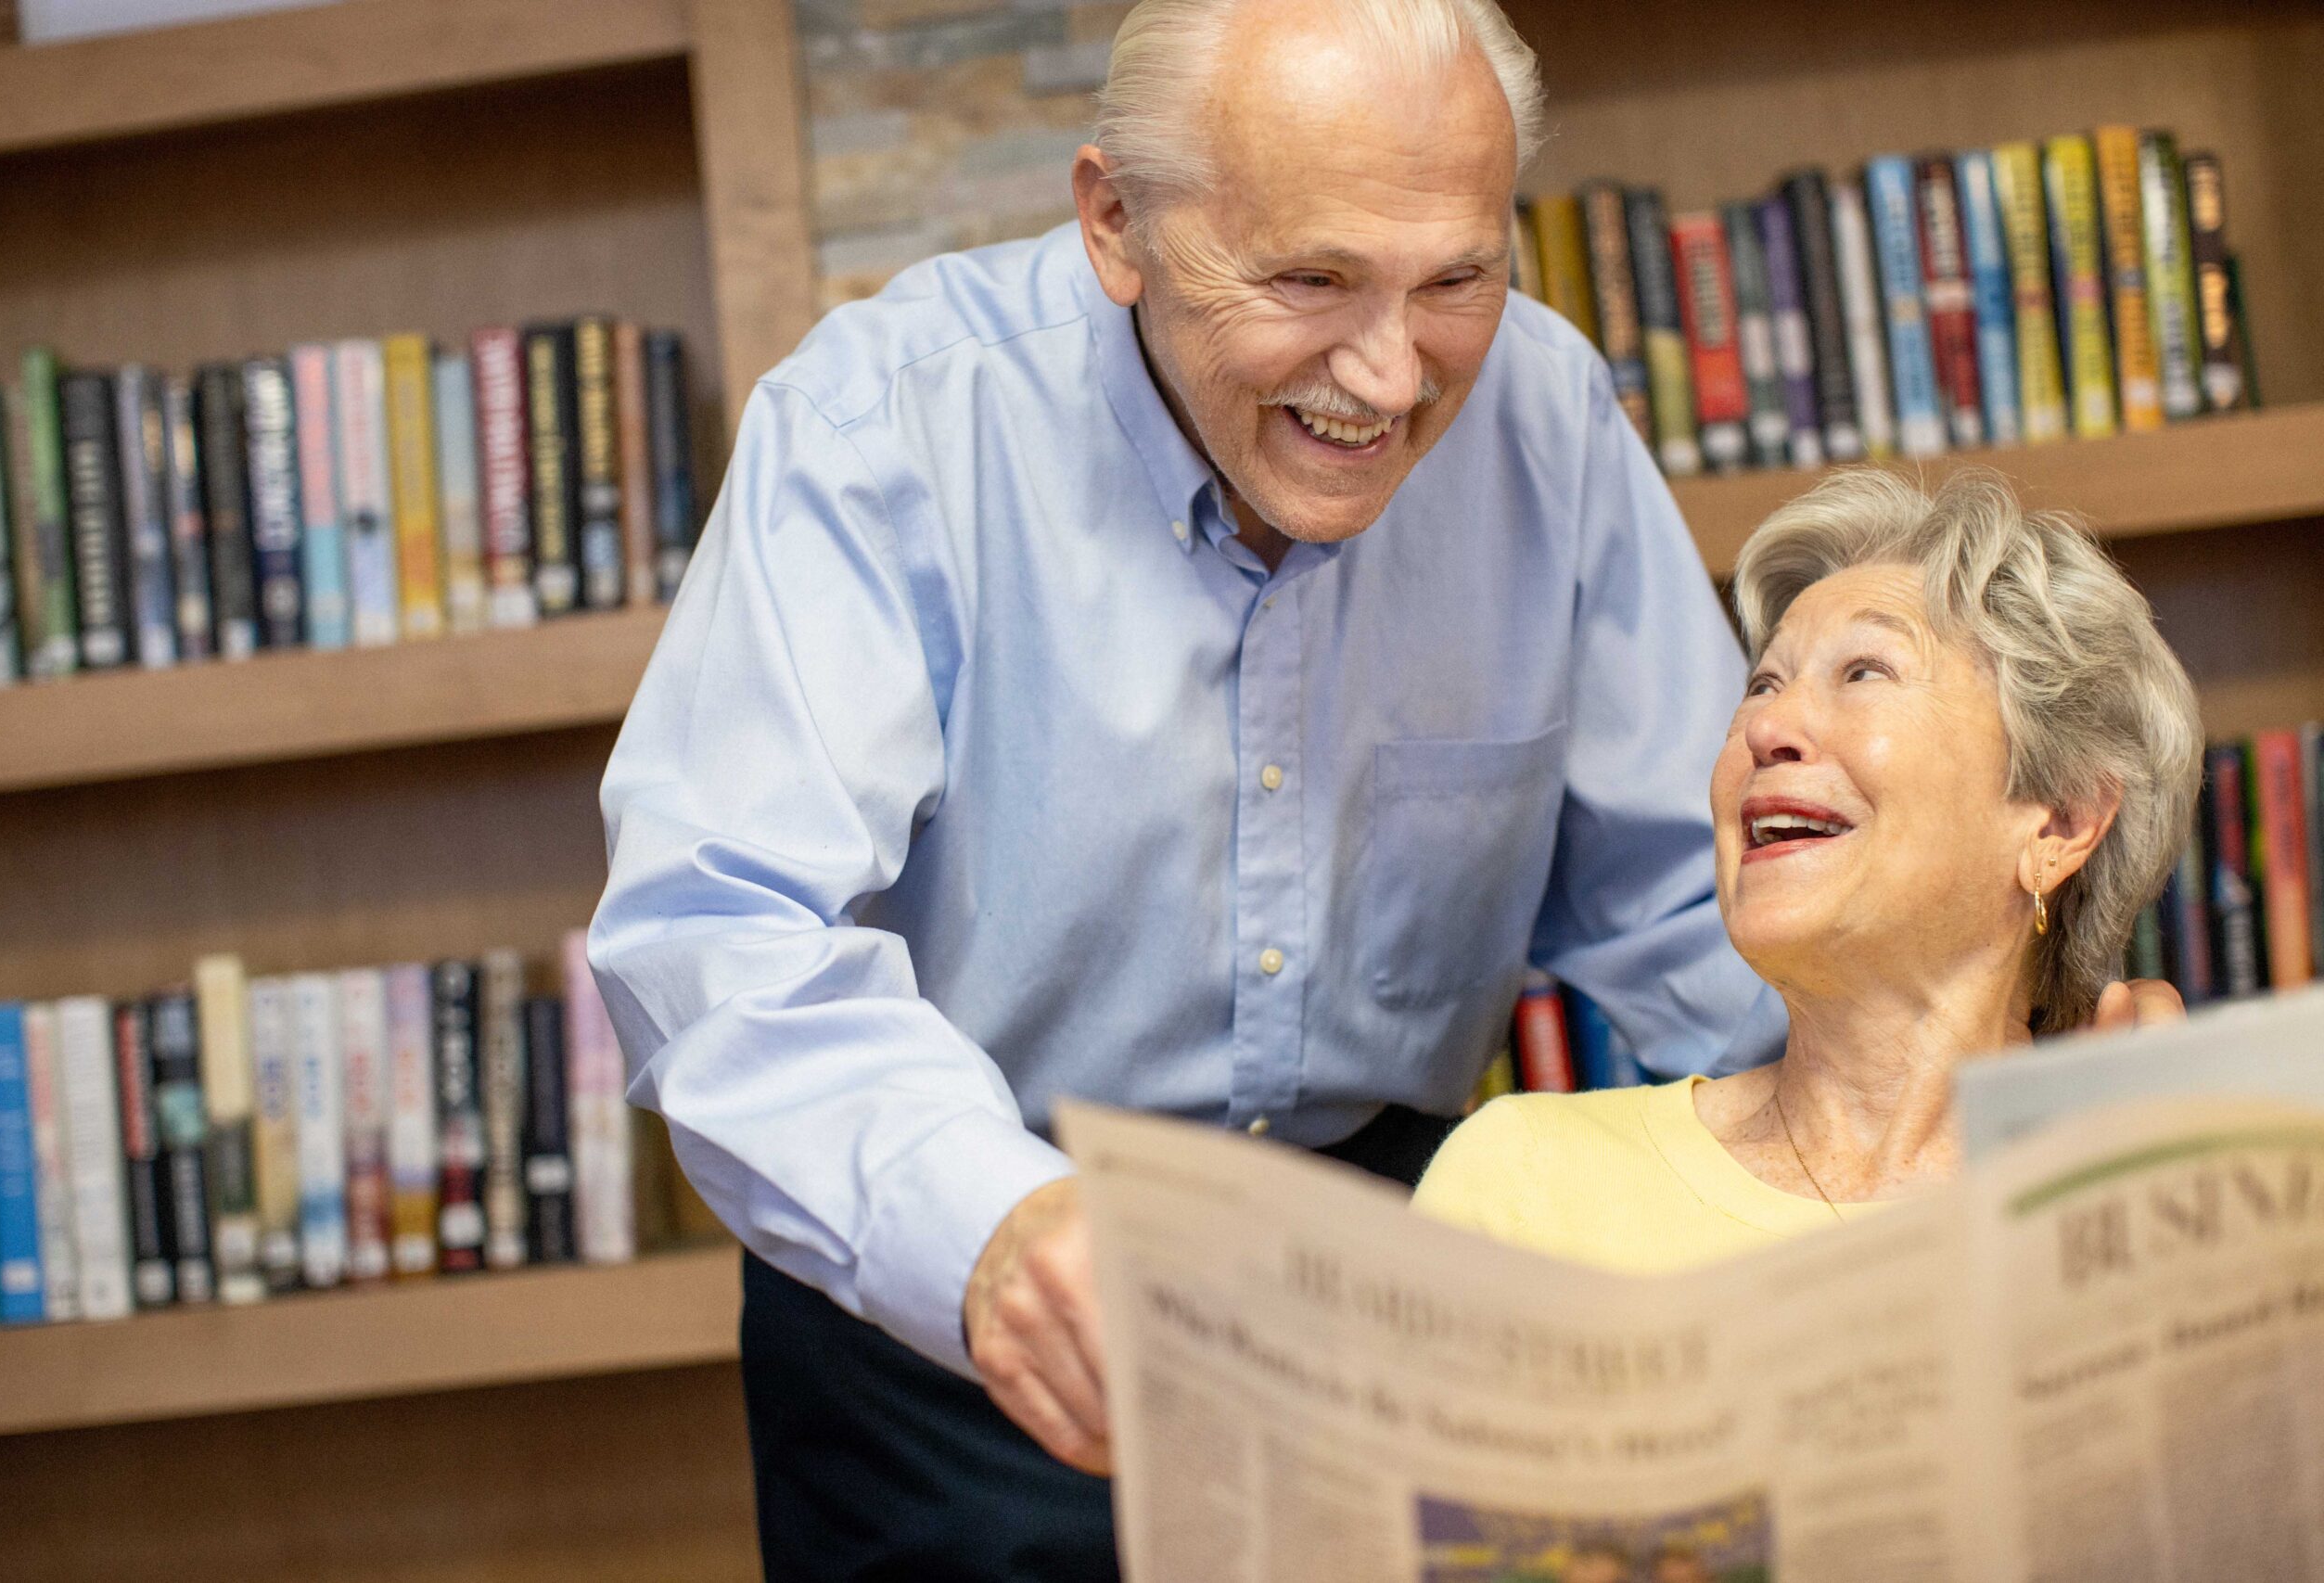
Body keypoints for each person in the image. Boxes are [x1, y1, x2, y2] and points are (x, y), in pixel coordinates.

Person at [589, 0, 2174, 1574]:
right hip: (974, 1284)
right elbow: (722, 926)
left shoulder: (1543, 417)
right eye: (1309, 279)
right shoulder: (890, 426)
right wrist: (993, 1231)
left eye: (1457, 282)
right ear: (1116, 221)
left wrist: (1993, 1082)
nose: (1387, 372)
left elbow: (1698, 893)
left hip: (1398, 1259)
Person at [1415, 469, 2203, 1269]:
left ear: (2060, 820)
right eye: (1762, 684)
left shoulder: (2150, 1201)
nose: (1766, 726)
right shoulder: (1524, 1185)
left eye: (1865, 671)